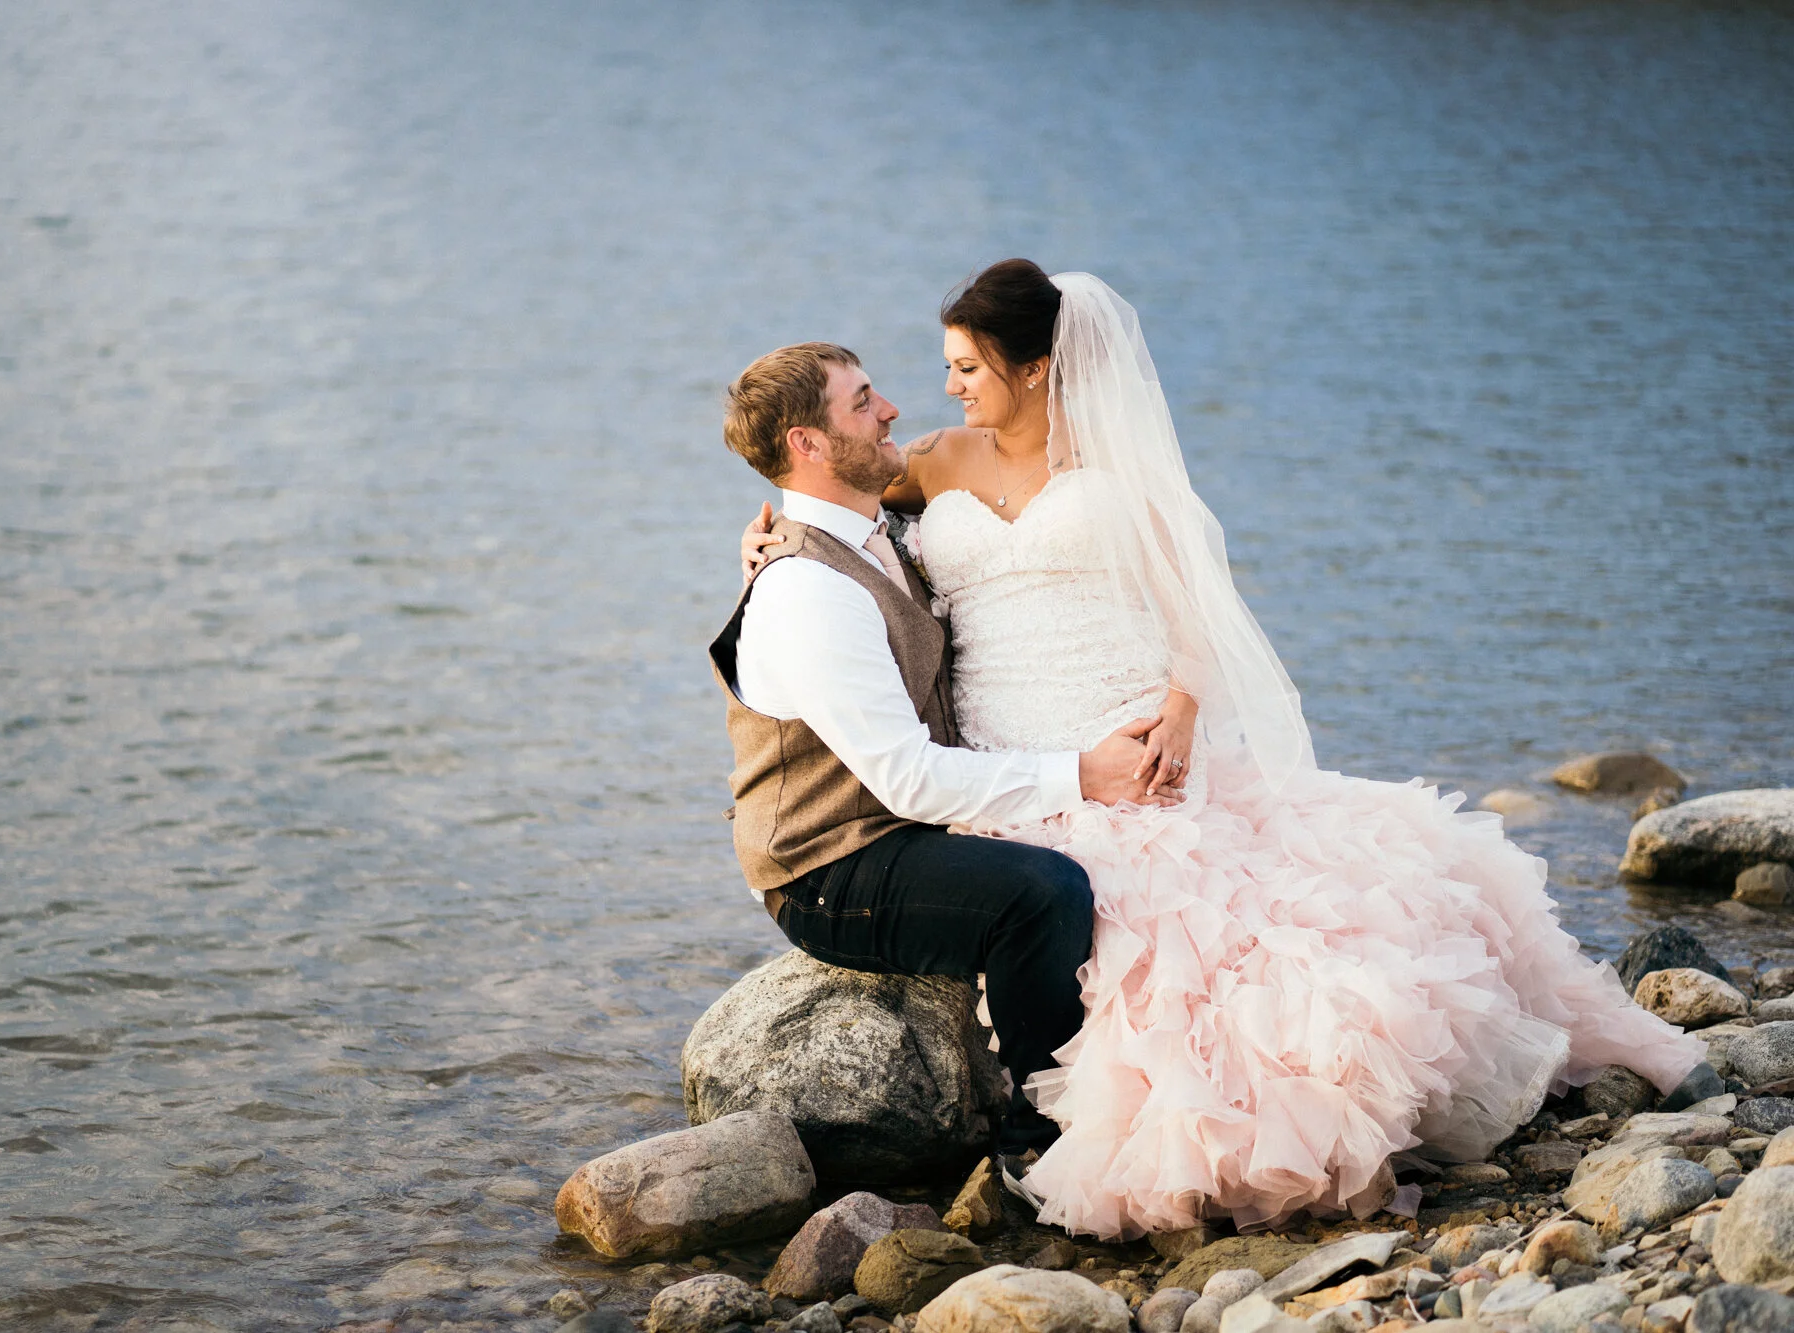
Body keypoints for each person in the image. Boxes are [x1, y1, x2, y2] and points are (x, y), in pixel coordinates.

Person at [739, 261, 1719, 1239]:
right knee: (1106, 930)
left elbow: (1195, 603)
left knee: (1230, 943)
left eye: (966, 365)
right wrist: (766, 543)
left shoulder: (1120, 463)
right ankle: (1053, 1135)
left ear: (1036, 368)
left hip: (1129, 726)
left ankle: (1133, 1139)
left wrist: (1180, 708)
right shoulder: (934, 460)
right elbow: (837, 515)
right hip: (1012, 753)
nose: (944, 386)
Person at [711, 340, 1185, 1157]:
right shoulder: (805, 587)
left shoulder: (877, 533)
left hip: (900, 826)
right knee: (1042, 892)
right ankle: (1038, 1141)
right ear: (808, 445)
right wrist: (1084, 774)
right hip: (829, 863)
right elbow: (907, 779)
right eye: (862, 401)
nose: (893, 408)